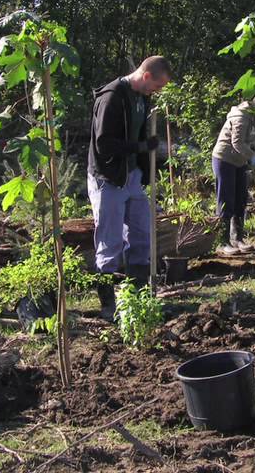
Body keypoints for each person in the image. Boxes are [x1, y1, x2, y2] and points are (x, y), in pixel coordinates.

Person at [87, 55, 172, 322]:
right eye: (157, 86)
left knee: (141, 233)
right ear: (146, 76)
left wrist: (146, 154)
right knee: (110, 242)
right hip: (109, 178)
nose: (156, 92)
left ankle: (137, 298)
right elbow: (104, 144)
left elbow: (138, 134)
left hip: (132, 178)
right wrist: (139, 148)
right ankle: (108, 305)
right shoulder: (112, 97)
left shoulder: (142, 98)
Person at [211, 89, 255, 251]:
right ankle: (223, 242)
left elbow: (248, 141)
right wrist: (254, 158)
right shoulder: (242, 117)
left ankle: (237, 239)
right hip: (224, 159)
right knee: (226, 199)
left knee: (241, 199)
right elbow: (237, 143)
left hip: (238, 161)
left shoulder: (254, 117)